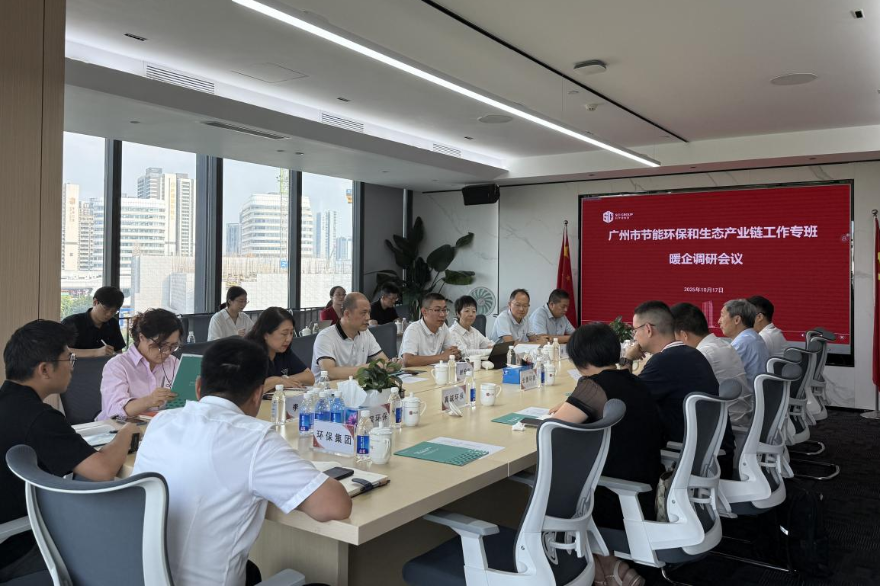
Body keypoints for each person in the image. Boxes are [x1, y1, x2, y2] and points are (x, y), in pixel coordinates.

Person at [133, 337, 351, 586]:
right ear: (258, 394)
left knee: (251, 571)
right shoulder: (254, 439)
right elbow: (334, 506)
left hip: (143, 578)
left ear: (199, 386)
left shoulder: (161, 422)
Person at [0, 320, 139, 582]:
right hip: (16, 547)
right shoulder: (40, 418)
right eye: (69, 359)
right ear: (44, 369)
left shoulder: (8, 402)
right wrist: (126, 433)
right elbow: (102, 470)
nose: (73, 367)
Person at [549, 323, 662, 586]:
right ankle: (607, 568)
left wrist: (568, 405)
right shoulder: (633, 380)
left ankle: (604, 568)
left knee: (557, 486)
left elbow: (552, 429)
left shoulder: (593, 386)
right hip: (647, 483)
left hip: (611, 496)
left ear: (579, 358)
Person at [622, 301, 734, 478]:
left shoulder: (664, 362)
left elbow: (624, 399)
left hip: (690, 458)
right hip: (713, 456)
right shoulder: (693, 353)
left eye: (635, 330)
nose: (634, 336)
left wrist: (627, 359)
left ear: (648, 329)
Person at [672, 302, 752, 427]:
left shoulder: (703, 354)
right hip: (737, 420)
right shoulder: (722, 345)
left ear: (684, 335)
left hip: (725, 427)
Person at [97, 308, 184, 420]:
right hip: (120, 427)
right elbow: (114, 410)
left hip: (160, 425)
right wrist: (149, 400)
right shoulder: (118, 366)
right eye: (162, 345)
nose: (167, 351)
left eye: (173, 346)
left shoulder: (173, 363)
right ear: (142, 337)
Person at [312, 293, 389, 379]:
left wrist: (392, 364)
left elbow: (384, 362)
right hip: (328, 387)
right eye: (363, 313)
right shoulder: (325, 336)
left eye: (369, 312)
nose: (368, 317)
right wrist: (371, 367)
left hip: (354, 385)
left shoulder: (365, 333)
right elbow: (330, 373)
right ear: (347, 314)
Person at [246, 307, 314, 391]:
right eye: (284, 333)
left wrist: (283, 380)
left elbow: (310, 377)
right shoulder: (249, 355)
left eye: (291, 333)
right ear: (265, 334)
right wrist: (276, 381)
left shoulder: (283, 352)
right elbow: (247, 390)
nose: (289, 339)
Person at [718, 299, 770, 394]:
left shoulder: (742, 343)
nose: (719, 321)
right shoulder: (753, 337)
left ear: (737, 320)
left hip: (746, 399)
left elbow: (721, 374)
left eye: (722, 316)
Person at [61, 285, 126, 357]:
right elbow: (61, 351)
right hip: (77, 364)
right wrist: (95, 352)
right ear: (95, 302)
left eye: (114, 311)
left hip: (106, 364)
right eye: (106, 309)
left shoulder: (113, 323)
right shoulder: (71, 322)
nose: (109, 314)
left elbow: (118, 352)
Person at [399, 293, 460, 367]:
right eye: (437, 310)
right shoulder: (413, 329)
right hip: (414, 373)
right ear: (424, 312)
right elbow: (408, 361)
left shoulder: (443, 327)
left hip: (433, 371)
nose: (442, 314)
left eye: (444, 310)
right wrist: (441, 357)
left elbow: (453, 351)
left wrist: (455, 353)